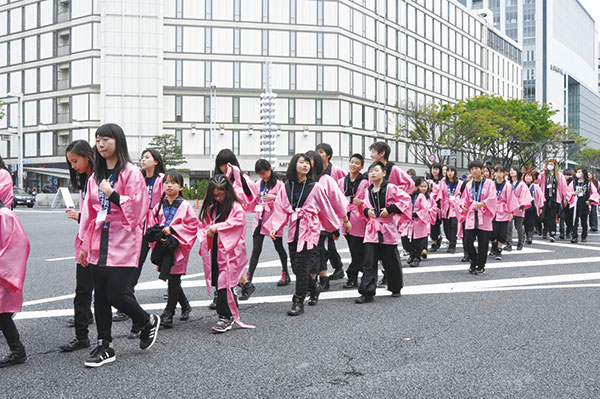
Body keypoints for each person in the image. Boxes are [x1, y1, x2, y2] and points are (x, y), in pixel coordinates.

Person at [78, 123, 160, 368]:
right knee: (100, 297)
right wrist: (83, 244)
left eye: (106, 140)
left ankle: (146, 321)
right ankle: (105, 345)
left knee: (117, 294)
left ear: (118, 142)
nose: (101, 144)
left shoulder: (131, 172)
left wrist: (113, 194)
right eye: (98, 140)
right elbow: (88, 211)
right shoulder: (95, 176)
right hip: (97, 240)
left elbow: (138, 209)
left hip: (123, 239)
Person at [265, 154, 340, 316]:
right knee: (296, 266)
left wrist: (334, 228)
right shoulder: (287, 186)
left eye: (307, 163)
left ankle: (298, 302)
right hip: (294, 228)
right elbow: (280, 208)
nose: (306, 165)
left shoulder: (316, 187)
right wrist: (274, 227)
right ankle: (314, 289)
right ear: (294, 165)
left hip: (310, 230)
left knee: (302, 266)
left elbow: (326, 209)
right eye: (302, 162)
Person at [113, 149, 166, 331]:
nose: (143, 160)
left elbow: (167, 203)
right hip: (142, 226)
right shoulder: (139, 178)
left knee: (169, 267)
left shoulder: (162, 180)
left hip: (158, 227)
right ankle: (127, 300)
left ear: (156, 161)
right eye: (142, 157)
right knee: (135, 263)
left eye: (147, 157)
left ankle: (181, 303)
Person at [198, 175, 255, 331]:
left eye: (221, 194)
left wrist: (218, 227)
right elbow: (205, 225)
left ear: (228, 192)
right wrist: (207, 233)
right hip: (219, 249)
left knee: (225, 282)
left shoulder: (236, 207)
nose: (218, 198)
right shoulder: (213, 208)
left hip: (231, 251)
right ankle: (227, 312)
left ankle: (225, 317)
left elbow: (237, 223)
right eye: (215, 195)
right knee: (221, 282)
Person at [147, 171, 198, 328]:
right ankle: (185, 305)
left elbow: (193, 225)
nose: (169, 185)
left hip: (178, 246)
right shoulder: (158, 206)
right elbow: (152, 224)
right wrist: (158, 234)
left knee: (174, 278)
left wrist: (173, 229)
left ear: (181, 186)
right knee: (171, 278)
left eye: (173, 182)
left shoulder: (185, 206)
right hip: (163, 245)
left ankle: (169, 313)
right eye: (166, 182)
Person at [355, 161, 410, 303]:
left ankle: (395, 287)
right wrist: (367, 211)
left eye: (376, 170)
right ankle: (367, 292)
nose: (372, 173)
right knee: (368, 262)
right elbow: (365, 207)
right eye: (370, 171)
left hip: (387, 229)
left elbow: (406, 199)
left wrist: (390, 209)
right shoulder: (368, 190)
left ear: (384, 173)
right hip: (372, 230)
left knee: (391, 260)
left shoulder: (391, 188)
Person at [59, 140, 95, 353]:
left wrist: (80, 216)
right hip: (86, 242)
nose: (73, 166)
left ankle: (142, 321)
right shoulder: (85, 180)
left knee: (113, 292)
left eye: (75, 161)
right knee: (82, 290)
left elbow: (102, 214)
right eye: (70, 162)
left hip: (104, 243)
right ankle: (82, 337)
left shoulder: (101, 178)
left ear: (87, 156)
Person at [213, 149, 258, 302]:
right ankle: (241, 285)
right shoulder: (219, 179)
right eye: (221, 165)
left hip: (235, 221)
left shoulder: (242, 178)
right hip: (220, 221)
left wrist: (237, 177)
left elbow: (249, 198)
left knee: (234, 255)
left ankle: (225, 291)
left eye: (227, 164)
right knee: (221, 257)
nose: (224, 168)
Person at [305, 151, 349, 291]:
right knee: (313, 253)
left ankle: (319, 280)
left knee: (319, 252)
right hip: (306, 224)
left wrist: (345, 219)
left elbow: (338, 200)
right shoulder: (302, 180)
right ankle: (319, 279)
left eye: (310, 161)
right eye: (305, 161)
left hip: (323, 223)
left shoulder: (326, 180)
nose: (307, 164)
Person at [247, 159, 290, 286]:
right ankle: (249, 277)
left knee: (279, 247)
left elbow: (286, 200)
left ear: (270, 169)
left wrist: (274, 197)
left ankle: (285, 273)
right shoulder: (259, 183)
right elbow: (253, 198)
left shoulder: (279, 184)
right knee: (256, 249)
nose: (262, 176)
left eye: (264, 173)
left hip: (273, 220)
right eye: (260, 174)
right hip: (260, 218)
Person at [0, 201, 30, 367]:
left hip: (3, 271)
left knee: (2, 312)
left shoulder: (5, 215)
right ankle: (17, 350)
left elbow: (18, 244)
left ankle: (18, 351)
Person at [457, 160, 498, 275]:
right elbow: (464, 198)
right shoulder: (469, 184)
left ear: (482, 169)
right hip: (471, 215)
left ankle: (480, 266)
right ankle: (473, 261)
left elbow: (493, 197)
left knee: (483, 243)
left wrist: (484, 203)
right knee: (468, 241)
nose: (474, 171)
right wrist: (463, 205)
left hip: (484, 215)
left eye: (476, 168)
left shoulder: (489, 183)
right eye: (472, 169)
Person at [338, 154, 369, 289]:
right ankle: (362, 273)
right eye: (351, 162)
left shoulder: (365, 182)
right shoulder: (341, 182)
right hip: (346, 218)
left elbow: (368, 199)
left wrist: (361, 202)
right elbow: (338, 199)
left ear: (361, 166)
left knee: (357, 250)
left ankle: (352, 276)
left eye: (357, 163)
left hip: (359, 219)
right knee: (353, 250)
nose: (353, 165)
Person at [400, 177, 434, 268]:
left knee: (417, 242)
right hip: (408, 221)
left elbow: (425, 209)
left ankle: (416, 258)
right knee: (404, 240)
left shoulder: (421, 196)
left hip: (418, 222)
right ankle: (411, 254)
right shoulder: (407, 195)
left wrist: (416, 214)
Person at [489, 165, 519, 261]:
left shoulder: (508, 185)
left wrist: (511, 211)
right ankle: (494, 244)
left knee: (502, 232)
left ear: (504, 173)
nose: (498, 174)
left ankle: (499, 250)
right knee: (492, 232)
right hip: (492, 210)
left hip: (503, 210)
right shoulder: (490, 184)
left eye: (500, 172)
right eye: (497, 172)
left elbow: (511, 199)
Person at [536, 159, 568, 242]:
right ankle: (545, 230)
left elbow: (564, 187)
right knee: (544, 216)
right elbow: (536, 181)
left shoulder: (559, 175)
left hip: (555, 199)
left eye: (551, 164)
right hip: (545, 198)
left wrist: (565, 198)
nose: (550, 166)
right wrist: (541, 170)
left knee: (552, 217)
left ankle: (552, 233)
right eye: (548, 164)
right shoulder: (543, 175)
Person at [566, 168, 599, 243]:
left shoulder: (588, 183)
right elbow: (568, 191)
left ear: (583, 174)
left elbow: (595, 193)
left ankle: (584, 236)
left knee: (584, 221)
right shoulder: (574, 183)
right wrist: (572, 194)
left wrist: (590, 200)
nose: (578, 173)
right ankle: (574, 236)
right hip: (575, 203)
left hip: (584, 204)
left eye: (579, 172)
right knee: (574, 220)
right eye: (577, 171)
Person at [506, 167, 532, 251]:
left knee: (519, 226)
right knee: (509, 227)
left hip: (518, 206)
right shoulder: (508, 183)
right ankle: (509, 243)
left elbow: (524, 195)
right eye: (510, 171)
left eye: (513, 170)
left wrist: (522, 205)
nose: (512, 172)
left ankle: (520, 243)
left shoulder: (522, 184)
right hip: (509, 207)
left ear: (518, 172)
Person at [439, 166, 462, 253]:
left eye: (452, 171)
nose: (450, 173)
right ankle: (450, 239)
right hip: (446, 206)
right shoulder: (443, 182)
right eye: (448, 171)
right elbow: (440, 194)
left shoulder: (460, 183)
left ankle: (453, 244)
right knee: (446, 227)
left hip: (455, 206)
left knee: (454, 225)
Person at [523, 172, 545, 244]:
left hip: (532, 207)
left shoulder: (536, 186)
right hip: (523, 207)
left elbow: (540, 197)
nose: (528, 178)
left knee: (531, 222)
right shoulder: (522, 185)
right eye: (526, 176)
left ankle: (530, 237)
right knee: (525, 222)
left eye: (530, 176)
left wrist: (541, 207)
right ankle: (526, 235)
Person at [427, 163, 443, 253]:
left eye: (436, 169)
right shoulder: (428, 180)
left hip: (438, 205)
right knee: (431, 224)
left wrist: (439, 206)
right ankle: (435, 240)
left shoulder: (442, 181)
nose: (434, 171)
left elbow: (441, 194)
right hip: (429, 205)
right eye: (433, 169)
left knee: (435, 224)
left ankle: (435, 240)